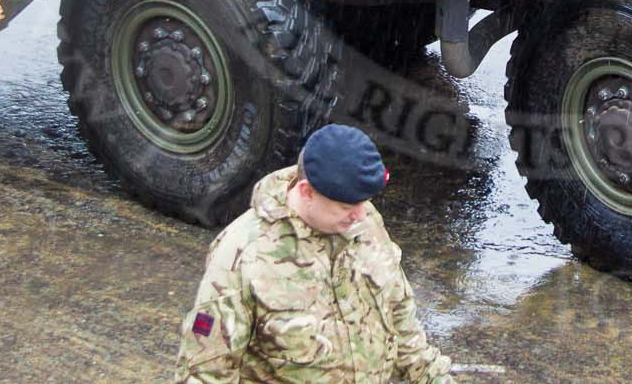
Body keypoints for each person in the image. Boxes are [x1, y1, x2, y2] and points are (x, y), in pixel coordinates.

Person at [174, 125, 450, 384]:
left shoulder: (363, 222)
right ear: (306, 191)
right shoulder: (243, 255)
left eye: (365, 203)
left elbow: (400, 316)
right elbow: (204, 371)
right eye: (346, 207)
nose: (361, 215)